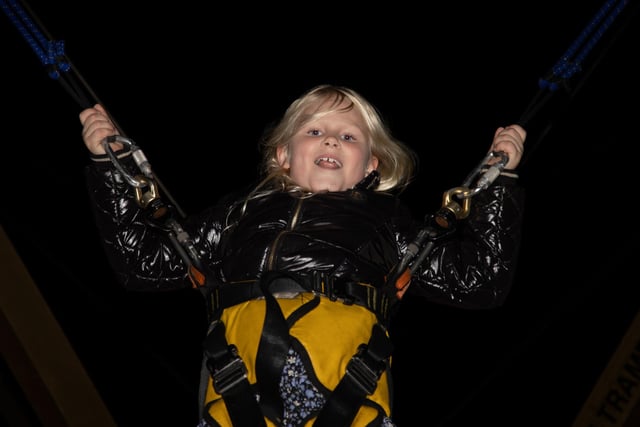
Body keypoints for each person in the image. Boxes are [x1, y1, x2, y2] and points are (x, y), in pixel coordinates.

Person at [79, 84, 526, 427]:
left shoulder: (386, 222)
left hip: (346, 390)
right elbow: (144, 264)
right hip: (241, 391)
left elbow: (478, 281)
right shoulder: (238, 213)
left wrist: (499, 179)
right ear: (284, 155)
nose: (330, 140)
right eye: (314, 131)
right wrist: (110, 169)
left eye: (349, 136)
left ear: (372, 164)